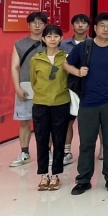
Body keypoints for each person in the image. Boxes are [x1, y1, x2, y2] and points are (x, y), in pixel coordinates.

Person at [64, 13, 108, 195]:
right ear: (95, 28)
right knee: (86, 142)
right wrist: (78, 72)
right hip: (88, 102)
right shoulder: (84, 47)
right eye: (102, 25)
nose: (106, 29)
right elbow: (66, 64)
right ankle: (83, 180)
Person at [29, 24, 70, 191]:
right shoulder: (35, 59)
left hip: (61, 103)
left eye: (56, 36)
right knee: (41, 140)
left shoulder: (66, 57)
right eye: (49, 36)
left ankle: (56, 175)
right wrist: (42, 93)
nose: (52, 39)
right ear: (43, 39)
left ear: (61, 38)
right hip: (41, 104)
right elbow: (33, 81)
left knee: (59, 140)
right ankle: (43, 175)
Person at [9, 11, 47, 167]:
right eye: (34, 22)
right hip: (26, 87)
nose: (37, 25)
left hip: (47, 88)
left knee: (47, 123)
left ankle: (47, 153)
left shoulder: (51, 41)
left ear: (45, 25)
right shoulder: (20, 44)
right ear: (28, 25)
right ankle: (24, 153)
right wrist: (17, 88)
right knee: (24, 121)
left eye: (40, 22)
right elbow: (14, 67)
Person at [61, 13, 90, 164]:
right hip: (69, 88)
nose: (80, 25)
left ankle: (97, 150)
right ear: (72, 25)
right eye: (77, 22)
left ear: (88, 26)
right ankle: (66, 151)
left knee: (92, 122)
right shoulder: (63, 45)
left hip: (90, 87)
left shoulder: (94, 43)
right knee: (68, 120)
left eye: (83, 23)